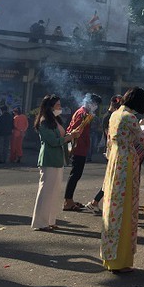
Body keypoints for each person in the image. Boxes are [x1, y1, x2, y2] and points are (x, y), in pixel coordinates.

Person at [100, 87, 144, 273]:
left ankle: (110, 257)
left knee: (112, 208)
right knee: (125, 209)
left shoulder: (115, 114)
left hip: (114, 160)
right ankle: (121, 260)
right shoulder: (130, 118)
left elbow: (109, 140)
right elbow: (143, 138)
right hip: (127, 162)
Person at [31, 95, 76, 231]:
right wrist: (68, 138)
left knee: (54, 192)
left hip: (58, 159)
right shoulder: (44, 121)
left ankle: (50, 220)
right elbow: (52, 141)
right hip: (49, 159)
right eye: (57, 105)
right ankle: (40, 222)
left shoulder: (55, 120)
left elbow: (61, 137)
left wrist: (70, 136)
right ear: (50, 107)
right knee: (46, 191)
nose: (60, 107)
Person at [85, 95, 122, 216]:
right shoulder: (109, 117)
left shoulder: (109, 116)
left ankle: (96, 202)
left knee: (110, 180)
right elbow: (110, 135)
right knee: (110, 180)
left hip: (112, 150)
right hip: (112, 151)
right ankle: (95, 202)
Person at [64, 93, 102, 212]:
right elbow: (72, 130)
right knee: (75, 174)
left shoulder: (85, 113)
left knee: (76, 174)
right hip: (78, 148)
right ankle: (67, 201)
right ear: (90, 103)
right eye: (95, 104)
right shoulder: (82, 114)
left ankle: (70, 200)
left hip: (82, 147)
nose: (96, 107)